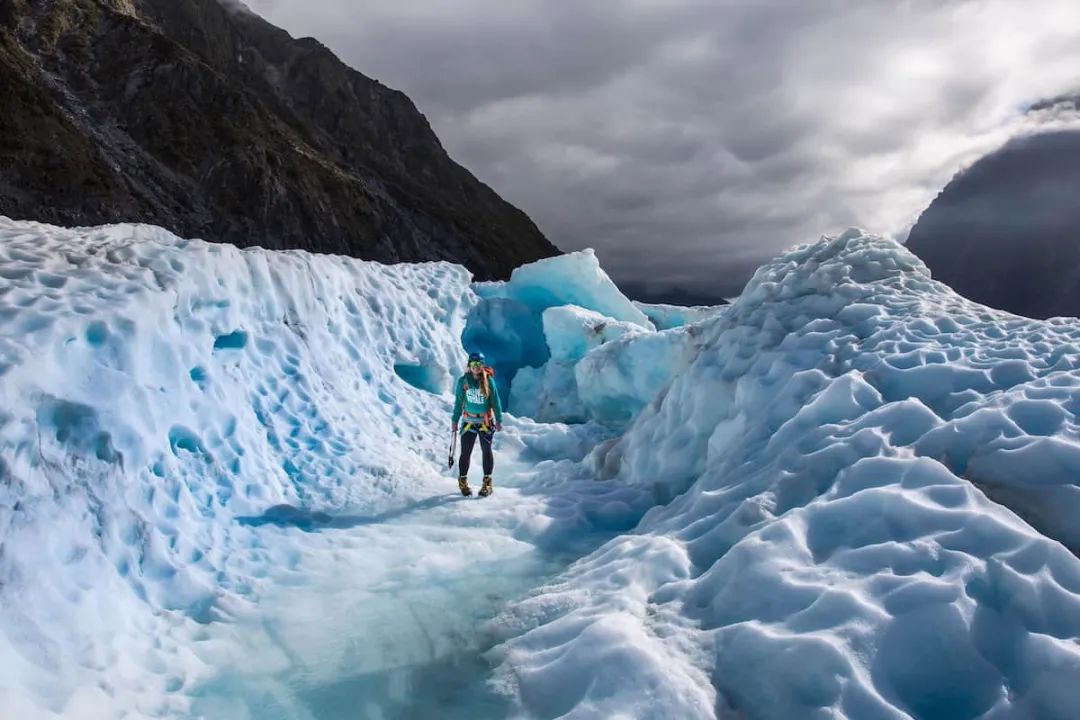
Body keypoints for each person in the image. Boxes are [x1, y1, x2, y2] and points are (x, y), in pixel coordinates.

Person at [451, 351, 503, 497]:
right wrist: (454, 420)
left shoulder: (489, 381)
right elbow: (458, 403)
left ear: (482, 365)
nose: (476, 367)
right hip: (468, 422)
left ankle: (487, 483)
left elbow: (496, 401)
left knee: (486, 451)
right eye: (473, 364)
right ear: (469, 365)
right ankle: (462, 482)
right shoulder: (463, 381)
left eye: (479, 364)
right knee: (465, 453)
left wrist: (499, 419)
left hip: (485, 422)